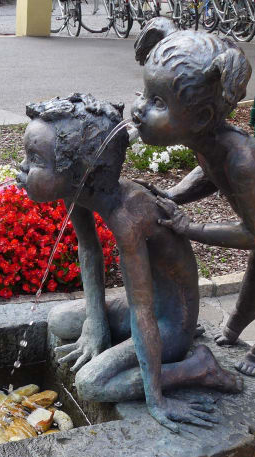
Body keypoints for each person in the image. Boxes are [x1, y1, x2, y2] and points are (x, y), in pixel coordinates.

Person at [17, 92, 242, 432]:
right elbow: (89, 249)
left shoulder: (130, 215)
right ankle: (136, 346)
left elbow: (142, 311)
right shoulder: (79, 188)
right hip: (149, 305)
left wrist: (156, 398)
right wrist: (95, 322)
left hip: (170, 320)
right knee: (60, 320)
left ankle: (197, 368)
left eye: (35, 159)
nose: (23, 168)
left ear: (81, 169)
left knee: (92, 384)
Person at [131, 23, 255, 377]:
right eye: (145, 94)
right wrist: (171, 194)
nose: (139, 110)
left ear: (203, 117)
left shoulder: (243, 161)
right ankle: (233, 330)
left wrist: (190, 227)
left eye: (157, 103)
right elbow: (210, 173)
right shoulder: (206, 140)